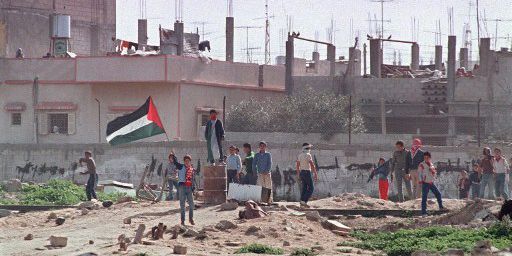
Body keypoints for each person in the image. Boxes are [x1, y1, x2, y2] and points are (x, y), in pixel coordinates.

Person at [418, 151, 444, 216]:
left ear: (430, 158)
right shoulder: (421, 164)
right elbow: (419, 173)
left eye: (427, 157)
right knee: (424, 197)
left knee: (438, 194)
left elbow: (434, 173)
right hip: (425, 183)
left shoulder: (432, 164)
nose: (426, 159)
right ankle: (423, 212)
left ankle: (441, 207)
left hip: (431, 182)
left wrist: (433, 172)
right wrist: (421, 181)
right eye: (425, 157)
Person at [178, 155, 196, 226]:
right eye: (185, 161)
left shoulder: (191, 169)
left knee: (191, 205)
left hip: (189, 188)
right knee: (182, 205)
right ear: (184, 161)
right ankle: (182, 221)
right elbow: (176, 163)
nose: (187, 162)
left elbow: (193, 179)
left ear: (190, 162)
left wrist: (193, 188)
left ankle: (191, 219)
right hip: (182, 187)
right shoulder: (181, 167)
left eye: (188, 161)